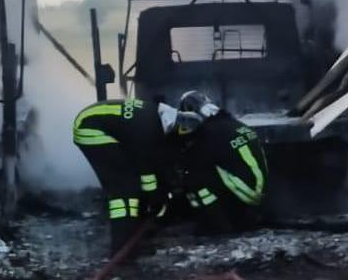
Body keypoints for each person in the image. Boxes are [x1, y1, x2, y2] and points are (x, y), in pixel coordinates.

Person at [72, 91, 268, 252]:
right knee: (124, 188)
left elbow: (152, 167)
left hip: (99, 123)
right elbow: (147, 175)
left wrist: (158, 202)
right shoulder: (150, 134)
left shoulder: (158, 122)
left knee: (131, 184)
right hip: (90, 129)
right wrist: (157, 201)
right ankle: (122, 247)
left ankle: (131, 234)